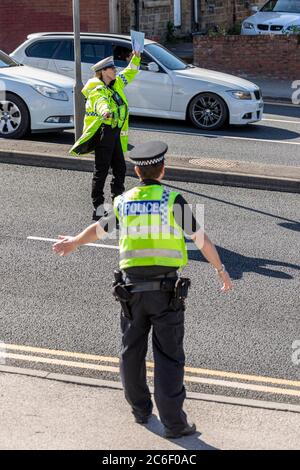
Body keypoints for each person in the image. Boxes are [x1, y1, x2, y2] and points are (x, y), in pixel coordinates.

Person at [52, 141, 233, 439]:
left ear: (136, 171)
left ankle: (140, 411)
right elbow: (201, 239)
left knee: (131, 353)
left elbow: (99, 229)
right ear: (163, 171)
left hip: (131, 292)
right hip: (166, 292)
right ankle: (174, 424)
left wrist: (73, 242)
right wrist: (220, 270)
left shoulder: (124, 201)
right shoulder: (173, 199)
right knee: (169, 357)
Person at [70, 52, 141, 221]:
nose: (115, 70)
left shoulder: (115, 84)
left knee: (120, 169)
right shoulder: (96, 90)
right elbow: (100, 102)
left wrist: (136, 57)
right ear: (102, 71)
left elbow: (130, 71)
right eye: (111, 68)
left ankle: (118, 204)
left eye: (114, 67)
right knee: (101, 171)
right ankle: (98, 208)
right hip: (103, 133)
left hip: (114, 133)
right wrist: (105, 112)